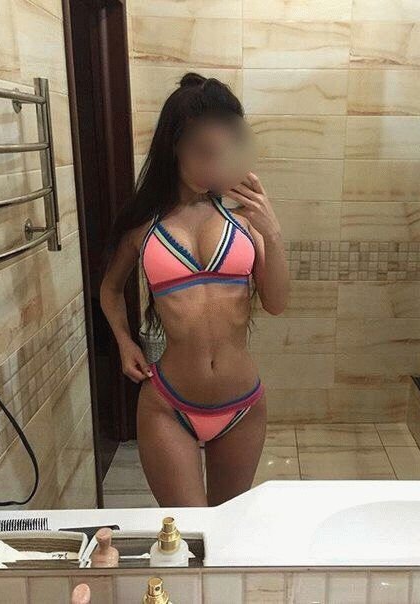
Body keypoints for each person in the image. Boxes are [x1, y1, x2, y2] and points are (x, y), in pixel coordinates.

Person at [100, 72, 290, 506]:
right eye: (203, 151)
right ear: (175, 146)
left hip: (243, 405)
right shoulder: (144, 226)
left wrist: (273, 232)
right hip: (168, 406)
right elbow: (110, 290)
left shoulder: (245, 220)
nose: (214, 164)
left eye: (222, 153)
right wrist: (125, 343)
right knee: (188, 534)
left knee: (225, 533)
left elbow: (277, 303)